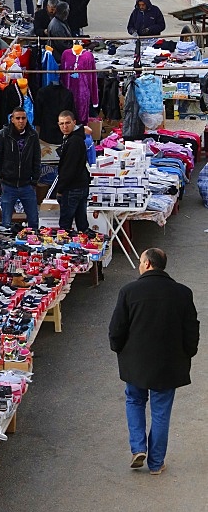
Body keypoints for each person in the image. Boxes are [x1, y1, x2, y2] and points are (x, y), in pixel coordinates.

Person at [108, 248, 200, 476]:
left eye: (141, 262)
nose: (139, 266)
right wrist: (188, 352)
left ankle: (138, 448)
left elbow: (117, 328)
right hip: (168, 364)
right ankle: (156, 463)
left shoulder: (129, 291)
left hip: (136, 362)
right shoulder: (182, 293)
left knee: (135, 400)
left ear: (148, 264)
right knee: (161, 412)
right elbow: (191, 328)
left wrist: (118, 348)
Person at [0, 108, 41, 230]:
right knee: (6, 223)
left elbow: (37, 159)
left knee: (34, 221)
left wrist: (34, 180)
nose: (21, 121)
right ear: (12, 119)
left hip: (27, 185)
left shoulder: (32, 135)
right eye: (17, 118)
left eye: (23, 118)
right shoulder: (3, 134)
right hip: (8, 185)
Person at [56, 110, 91, 233]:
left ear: (74, 122)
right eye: (61, 124)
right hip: (80, 185)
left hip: (72, 188)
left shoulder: (73, 141)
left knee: (65, 226)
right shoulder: (74, 138)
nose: (64, 127)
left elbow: (68, 169)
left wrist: (60, 190)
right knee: (82, 225)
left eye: (67, 123)